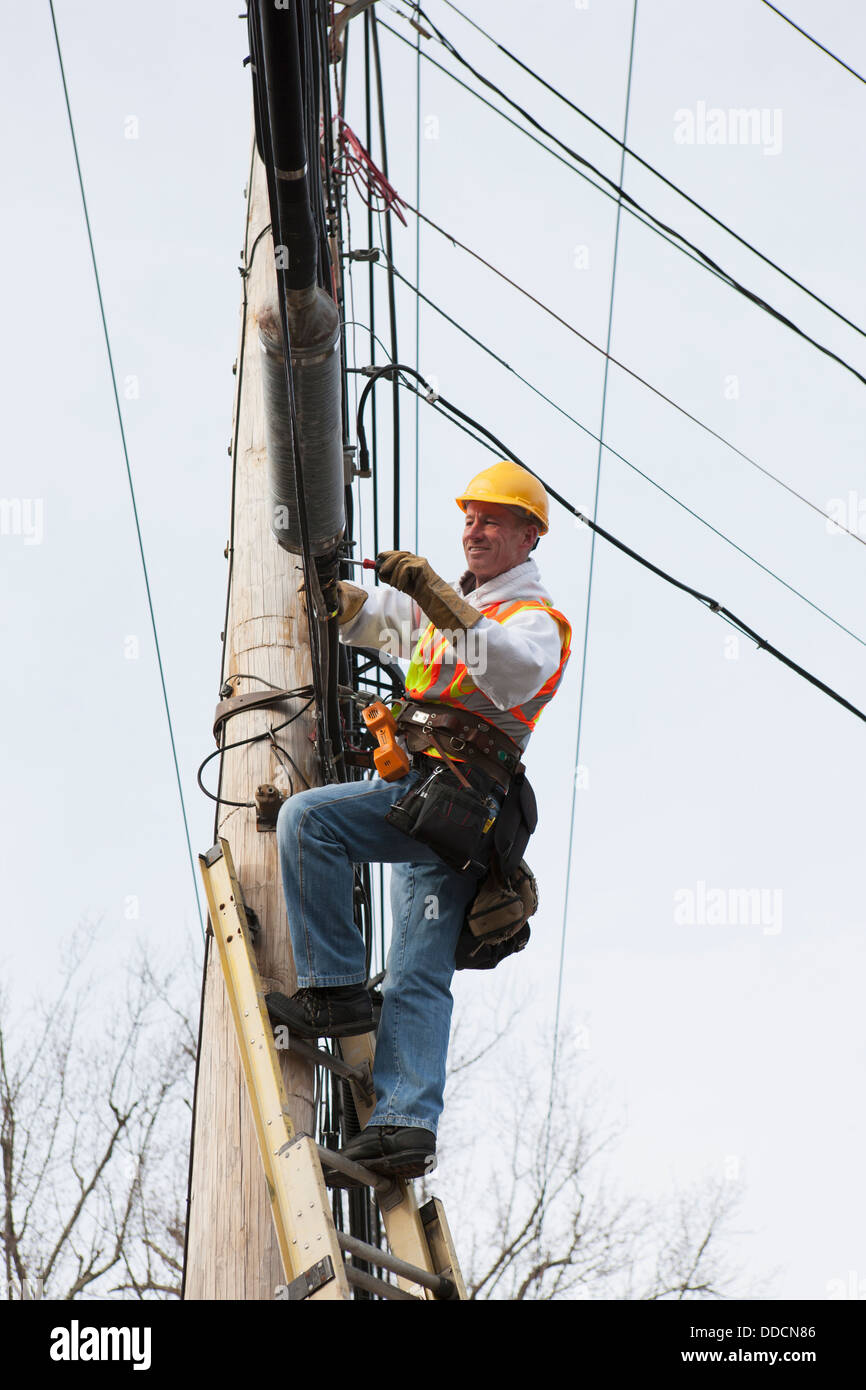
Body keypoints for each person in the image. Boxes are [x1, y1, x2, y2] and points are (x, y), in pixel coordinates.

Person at [266, 461, 572, 1178]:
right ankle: (405, 1125)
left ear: (530, 537)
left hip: (454, 798)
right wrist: (334, 596)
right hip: (435, 806)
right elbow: (376, 618)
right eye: (470, 518)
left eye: (493, 520)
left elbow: (507, 669)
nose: (476, 530)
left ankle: (336, 990)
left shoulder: (534, 621)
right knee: (416, 974)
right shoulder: (447, 611)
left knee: (310, 823)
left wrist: (431, 592)